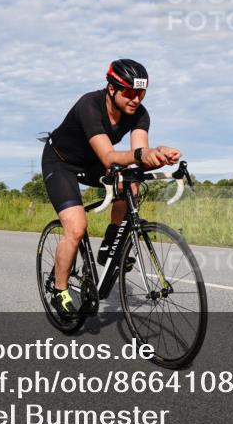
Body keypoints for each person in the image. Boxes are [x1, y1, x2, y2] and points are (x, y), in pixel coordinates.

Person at [41, 59, 180, 320]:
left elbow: (138, 153)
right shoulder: (89, 105)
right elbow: (108, 156)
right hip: (61, 163)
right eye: (129, 92)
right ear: (111, 88)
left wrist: (156, 154)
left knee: (133, 181)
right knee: (76, 226)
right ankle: (59, 290)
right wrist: (143, 154)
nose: (135, 99)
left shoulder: (139, 113)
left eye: (141, 93)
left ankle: (112, 239)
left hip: (92, 164)